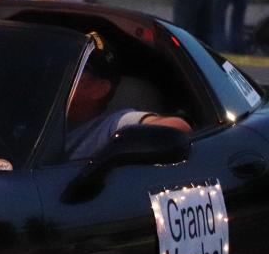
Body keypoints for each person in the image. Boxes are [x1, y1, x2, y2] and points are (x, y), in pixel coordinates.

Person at [65, 32, 190, 160]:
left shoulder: (111, 126)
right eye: (61, 65)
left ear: (100, 89)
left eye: (76, 68)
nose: (62, 73)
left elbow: (179, 127)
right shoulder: (45, 112)